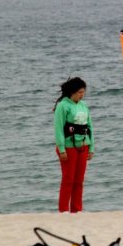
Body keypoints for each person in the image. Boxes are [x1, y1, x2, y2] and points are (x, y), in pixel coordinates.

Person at [53, 77, 94, 213]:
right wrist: (61, 148)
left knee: (79, 181)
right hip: (68, 147)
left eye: (83, 92)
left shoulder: (84, 106)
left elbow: (90, 127)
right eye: (79, 92)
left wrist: (91, 147)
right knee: (68, 180)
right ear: (72, 92)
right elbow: (58, 129)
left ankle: (76, 210)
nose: (82, 95)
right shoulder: (63, 106)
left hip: (83, 146)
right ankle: (63, 211)